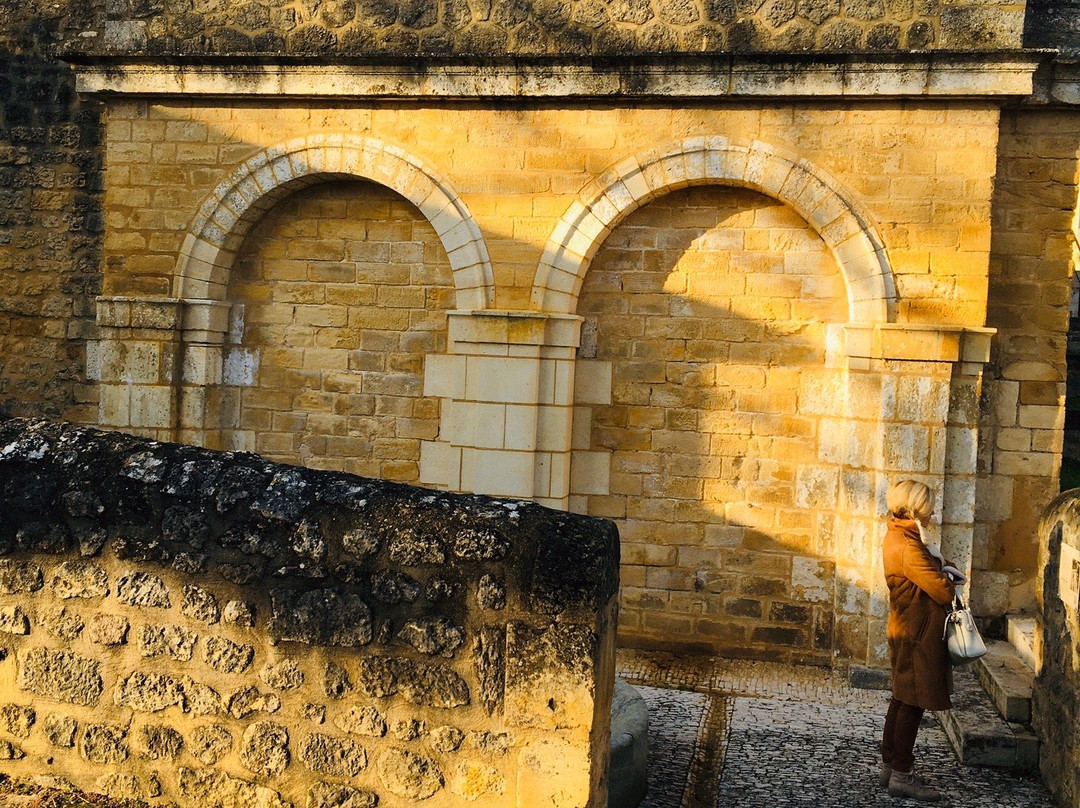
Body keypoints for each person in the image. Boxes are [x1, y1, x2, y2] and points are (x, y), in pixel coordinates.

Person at [880, 480, 964, 802]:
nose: (932, 513)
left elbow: (937, 571)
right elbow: (942, 588)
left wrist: (943, 570)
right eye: (928, 507)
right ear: (915, 508)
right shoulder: (908, 544)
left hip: (911, 628)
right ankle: (902, 775)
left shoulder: (905, 537)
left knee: (902, 699)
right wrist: (947, 575)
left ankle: (890, 768)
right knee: (911, 703)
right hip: (916, 633)